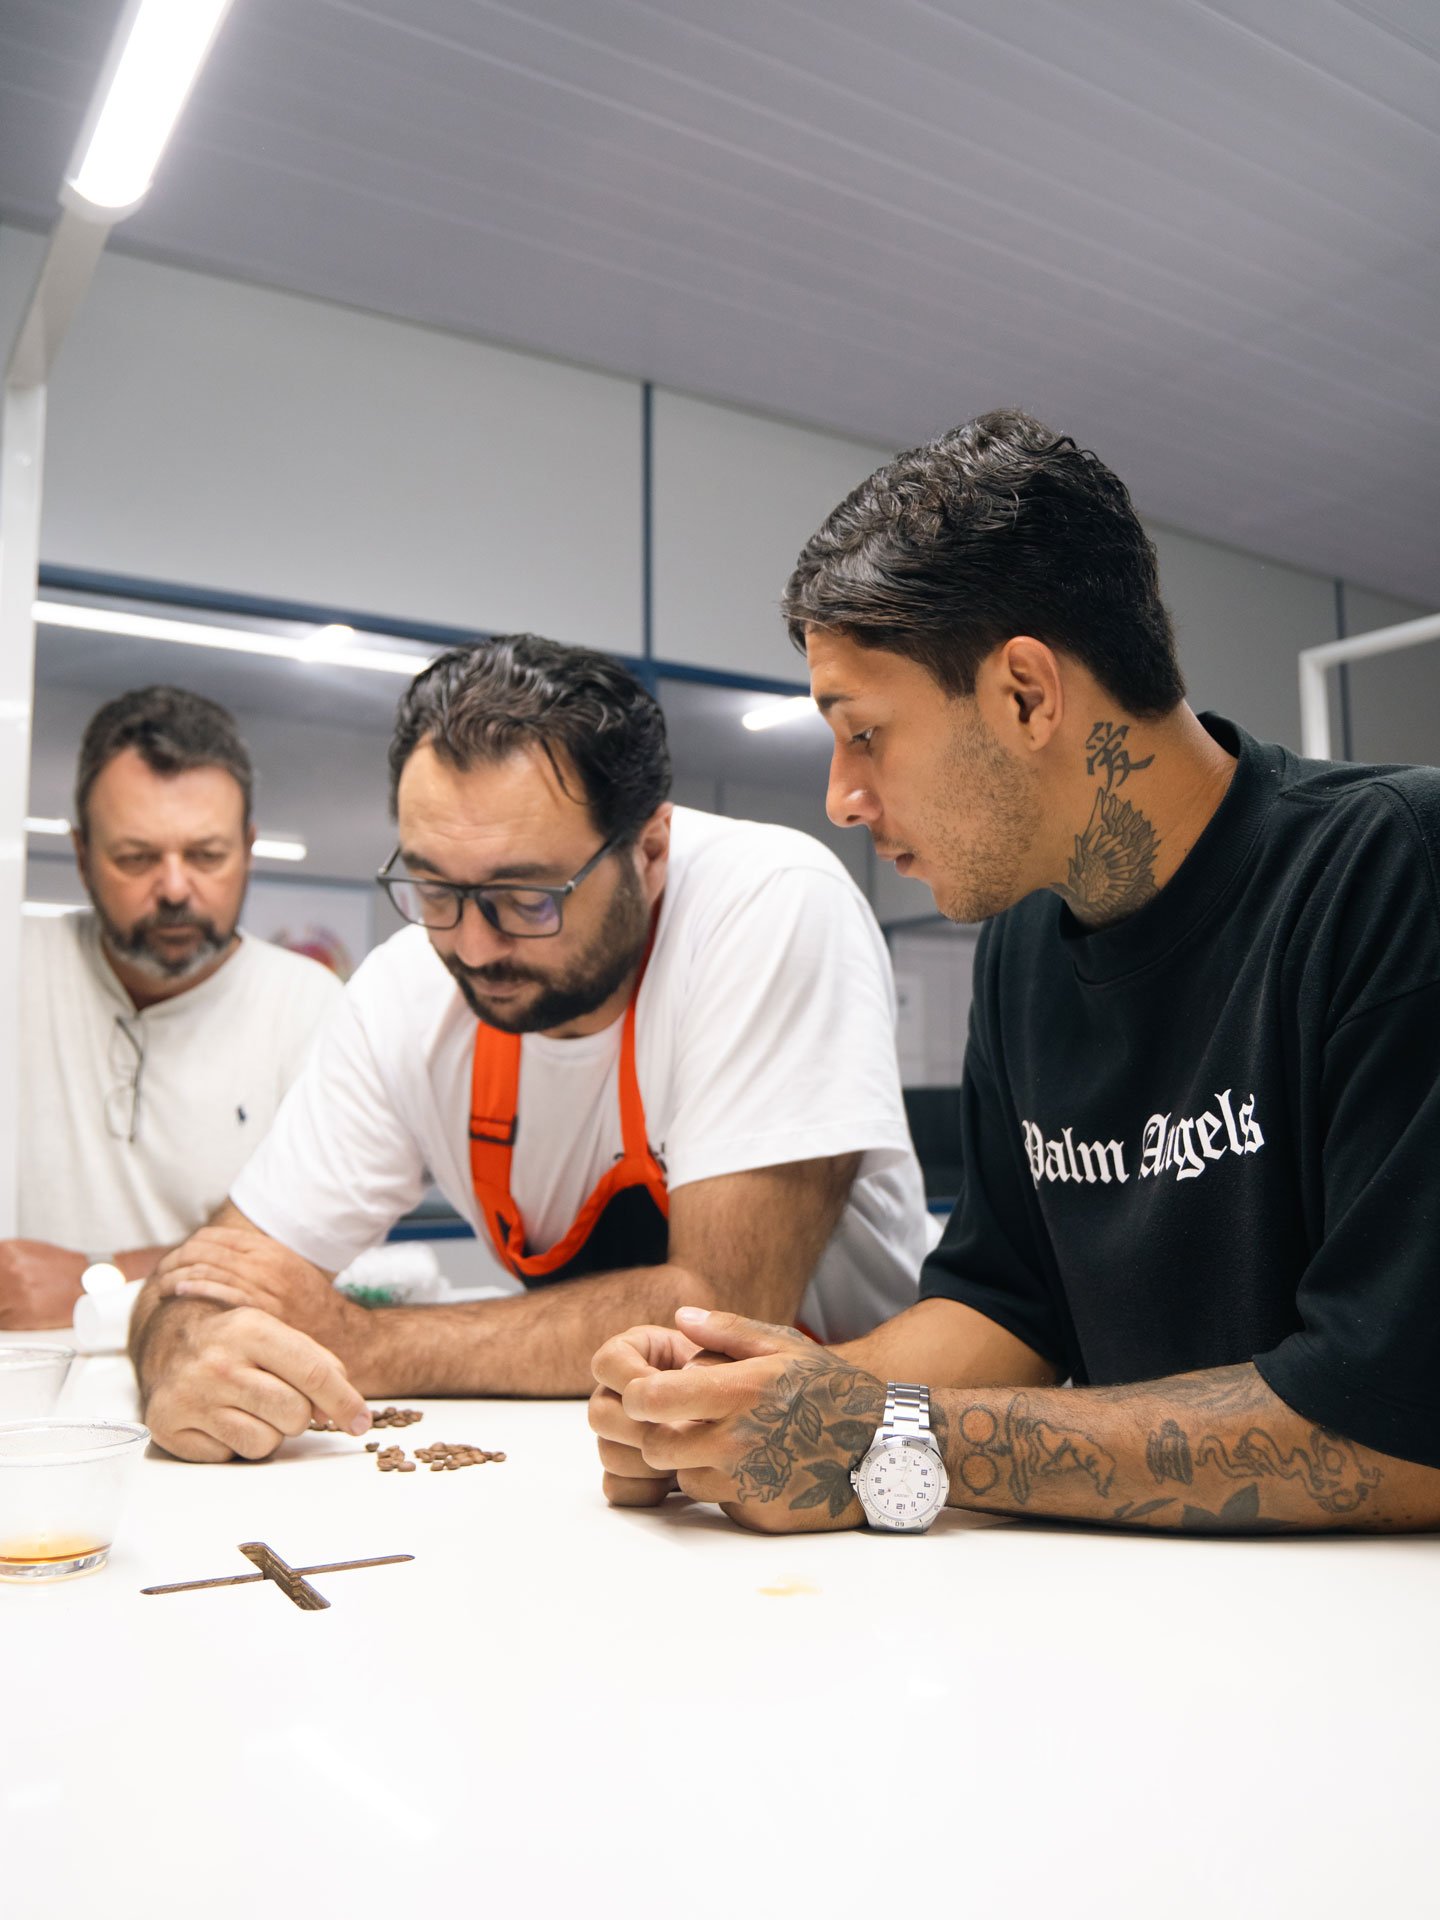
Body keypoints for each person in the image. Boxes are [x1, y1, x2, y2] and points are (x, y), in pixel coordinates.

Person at [591, 409, 1440, 1536]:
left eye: (864, 732)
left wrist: (886, 1433)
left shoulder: (1391, 870)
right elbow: (1006, 1313)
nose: (842, 798)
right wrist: (740, 1404)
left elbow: (1396, 1419)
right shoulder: (1025, 948)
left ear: (1027, 695)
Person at [131, 635, 933, 1461]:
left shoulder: (768, 904)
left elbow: (724, 1308)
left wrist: (362, 1341)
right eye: (434, 889)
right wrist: (181, 1348)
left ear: (650, 851)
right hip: (600, 1457)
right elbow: (216, 1272)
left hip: (856, 1459)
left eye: (526, 899)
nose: (473, 947)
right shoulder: (406, 988)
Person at [2, 685, 343, 1332]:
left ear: (248, 848)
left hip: (213, 1365)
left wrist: (95, 1281)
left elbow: (314, 1257)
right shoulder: (15, 968)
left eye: (207, 855)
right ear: (81, 857)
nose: (176, 888)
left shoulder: (310, 1008)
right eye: (136, 858)